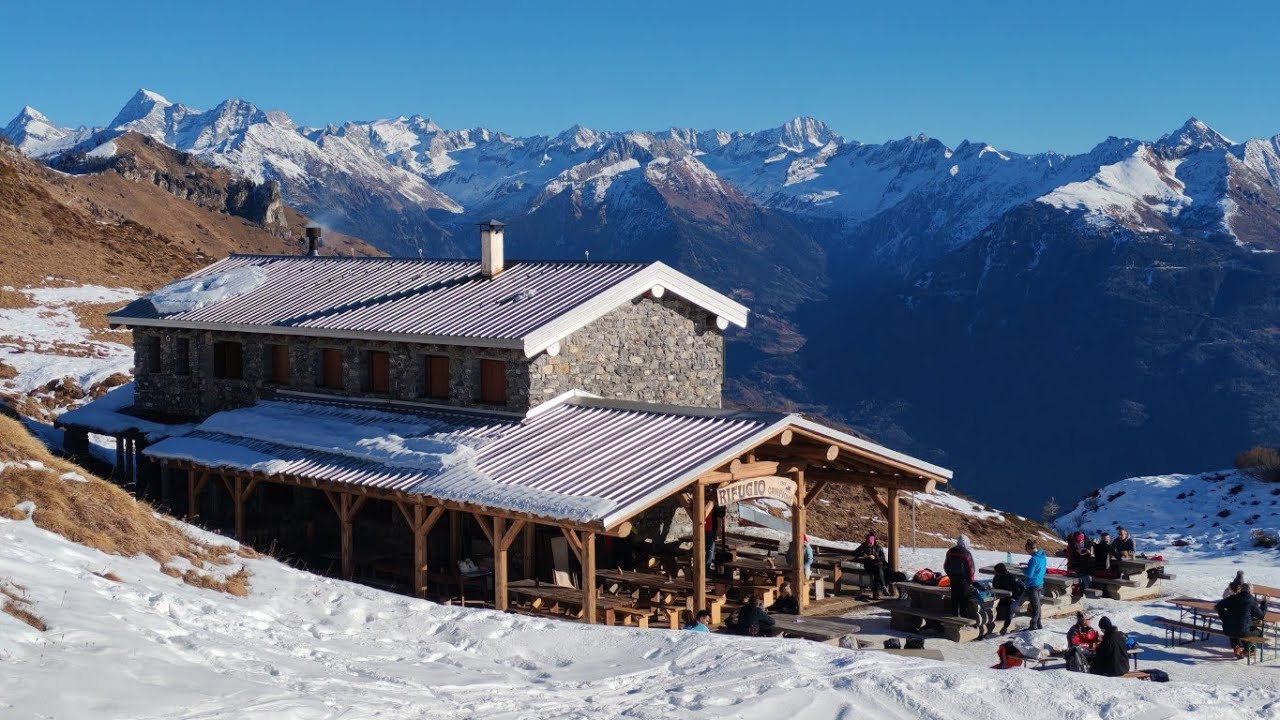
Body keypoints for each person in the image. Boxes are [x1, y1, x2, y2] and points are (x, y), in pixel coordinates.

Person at [1216, 583, 1266, 660]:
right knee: (1259, 632)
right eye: (1252, 590)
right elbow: (1261, 616)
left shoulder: (1233, 598)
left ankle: (1237, 646)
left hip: (1227, 630)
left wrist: (1224, 617)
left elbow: (1218, 606)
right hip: (1242, 631)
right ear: (1250, 591)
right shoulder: (1250, 601)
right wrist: (1264, 603)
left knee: (1236, 628)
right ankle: (1248, 650)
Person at [1016, 539, 1047, 631]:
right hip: (1040, 582)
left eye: (1026, 549)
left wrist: (1023, 569)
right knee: (1037, 604)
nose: (1027, 551)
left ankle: (1033, 625)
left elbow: (1029, 574)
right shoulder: (1042, 557)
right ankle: (1039, 623)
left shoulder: (1033, 559)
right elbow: (1037, 567)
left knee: (1035, 606)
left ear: (1030, 548)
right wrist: (1027, 565)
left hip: (1032, 584)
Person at [944, 534, 977, 619]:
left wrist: (950, 575)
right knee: (963, 599)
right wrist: (971, 581)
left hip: (953, 579)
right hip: (963, 580)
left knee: (954, 597)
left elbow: (946, 565)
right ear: (966, 543)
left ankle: (954, 615)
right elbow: (971, 568)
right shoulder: (966, 553)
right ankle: (963, 618)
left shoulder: (950, 551)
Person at [853, 532, 890, 599]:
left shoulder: (878, 547)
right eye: (868, 543)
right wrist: (862, 554)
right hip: (868, 566)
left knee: (877, 573)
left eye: (870, 543)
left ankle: (876, 594)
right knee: (878, 572)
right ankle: (883, 587)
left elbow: (883, 558)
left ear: (873, 541)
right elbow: (855, 553)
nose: (869, 544)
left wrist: (875, 557)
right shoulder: (863, 546)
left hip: (877, 565)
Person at [990, 563, 1024, 634]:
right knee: (994, 605)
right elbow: (995, 586)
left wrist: (1016, 597)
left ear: (1000, 571)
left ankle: (1005, 626)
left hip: (1014, 598)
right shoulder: (997, 577)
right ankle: (994, 621)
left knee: (1009, 608)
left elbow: (1022, 588)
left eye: (996, 571)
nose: (995, 573)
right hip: (1002, 597)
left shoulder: (1012, 578)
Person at [1066, 531, 1094, 600]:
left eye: (1081, 540)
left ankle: (1080, 594)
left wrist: (1089, 552)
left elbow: (1090, 552)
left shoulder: (1087, 543)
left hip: (1081, 566)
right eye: (1078, 540)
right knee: (1080, 577)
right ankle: (1078, 594)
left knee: (1083, 577)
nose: (1079, 542)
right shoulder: (1072, 544)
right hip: (1074, 565)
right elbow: (1071, 555)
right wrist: (1077, 552)